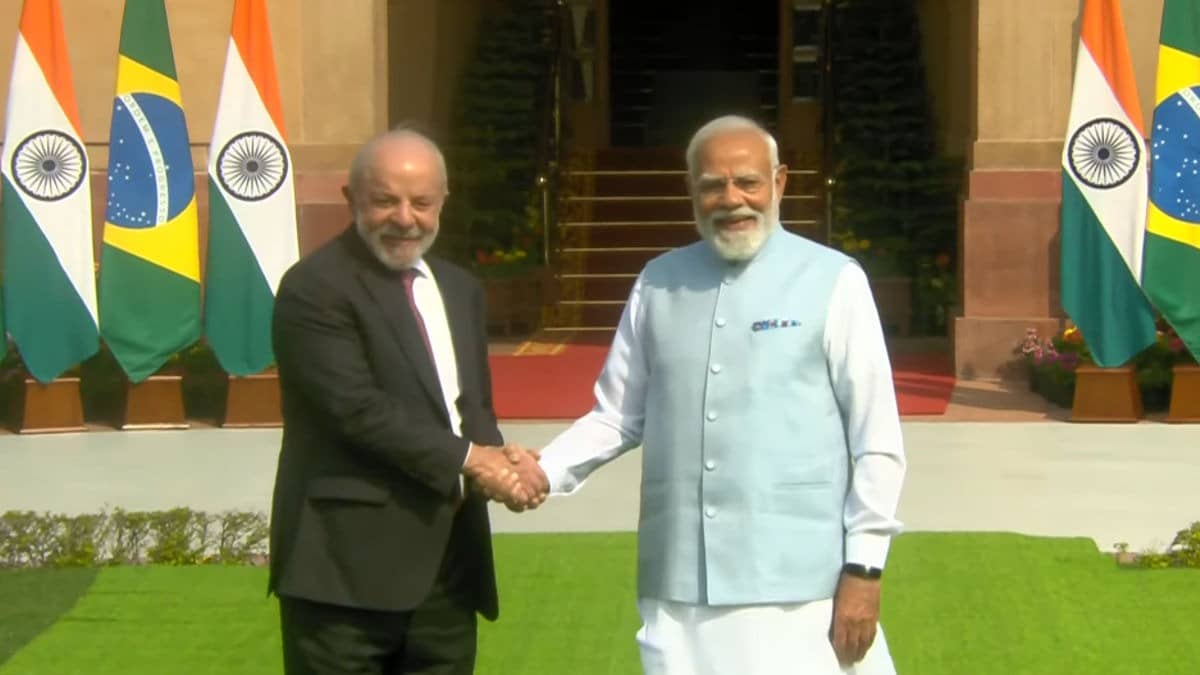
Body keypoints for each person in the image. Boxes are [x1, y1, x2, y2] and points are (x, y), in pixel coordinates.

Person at [535, 115, 907, 674]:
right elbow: (616, 414)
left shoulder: (834, 279)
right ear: (692, 191)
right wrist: (542, 470)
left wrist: (866, 567)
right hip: (679, 582)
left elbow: (876, 439)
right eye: (712, 185)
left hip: (799, 584)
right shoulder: (658, 282)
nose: (732, 199)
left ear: (780, 183)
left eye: (748, 182)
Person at [267, 126, 546, 675]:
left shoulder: (461, 289)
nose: (405, 218)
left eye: (421, 202)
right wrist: (474, 460)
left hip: (446, 576)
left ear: (443, 200)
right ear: (351, 201)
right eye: (385, 201)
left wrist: (504, 465)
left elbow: (469, 409)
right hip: (343, 577)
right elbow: (355, 410)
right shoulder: (314, 288)